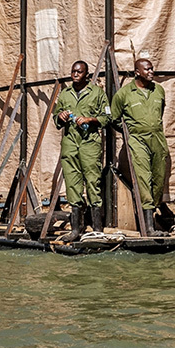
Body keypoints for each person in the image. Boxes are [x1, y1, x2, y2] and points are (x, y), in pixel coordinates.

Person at [109, 58, 170, 235]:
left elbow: (161, 112)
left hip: (157, 137)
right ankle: (149, 227)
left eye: (152, 68)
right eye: (147, 69)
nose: (151, 72)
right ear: (137, 72)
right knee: (144, 177)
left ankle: (156, 211)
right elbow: (113, 118)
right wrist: (130, 131)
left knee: (159, 178)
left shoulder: (159, 90)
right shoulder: (124, 94)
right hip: (137, 139)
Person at [53, 59, 111, 242]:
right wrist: (60, 117)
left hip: (90, 144)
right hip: (70, 143)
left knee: (93, 182)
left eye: (79, 72)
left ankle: (96, 228)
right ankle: (76, 229)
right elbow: (56, 119)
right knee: (72, 183)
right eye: (73, 72)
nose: (75, 75)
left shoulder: (98, 93)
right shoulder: (65, 94)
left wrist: (90, 120)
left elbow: (108, 117)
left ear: (87, 75)